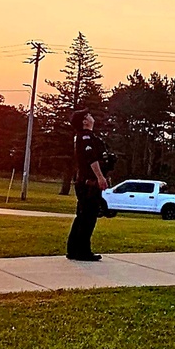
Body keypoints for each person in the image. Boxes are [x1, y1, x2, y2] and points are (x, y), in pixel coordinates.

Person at [66, 110, 109, 262]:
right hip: (89, 184)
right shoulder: (86, 137)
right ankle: (83, 251)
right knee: (88, 218)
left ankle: (73, 250)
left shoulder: (84, 137)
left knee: (82, 216)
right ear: (84, 121)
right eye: (88, 115)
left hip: (84, 183)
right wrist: (100, 177)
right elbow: (91, 159)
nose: (91, 116)